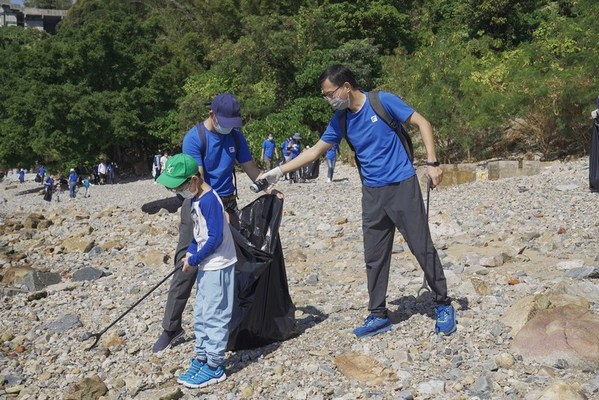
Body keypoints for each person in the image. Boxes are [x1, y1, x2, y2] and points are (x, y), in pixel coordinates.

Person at [261, 64, 456, 338]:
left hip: (402, 185)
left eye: (330, 93)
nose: (329, 99)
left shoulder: (381, 101)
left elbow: (422, 122)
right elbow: (316, 151)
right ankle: (378, 313)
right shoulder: (340, 120)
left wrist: (433, 163)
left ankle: (443, 303)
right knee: (374, 256)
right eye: (325, 95)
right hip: (372, 194)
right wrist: (279, 171)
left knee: (421, 246)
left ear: (346, 87)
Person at [152, 93, 274, 353]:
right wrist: (218, 213)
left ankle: (233, 325)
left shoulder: (235, 136)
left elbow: (251, 168)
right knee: (187, 263)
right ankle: (171, 327)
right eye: (224, 121)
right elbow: (198, 184)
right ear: (211, 115)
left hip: (229, 203)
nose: (228, 127)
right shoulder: (195, 138)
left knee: (234, 264)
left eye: (233, 122)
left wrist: (268, 188)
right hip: (201, 203)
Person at [156, 154, 236, 388]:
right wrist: (190, 253)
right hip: (205, 264)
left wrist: (196, 259)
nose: (177, 192)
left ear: (193, 181)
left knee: (215, 316)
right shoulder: (193, 200)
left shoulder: (210, 200)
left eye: (179, 187)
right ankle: (201, 357)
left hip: (218, 265)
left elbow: (215, 238)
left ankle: (215, 366)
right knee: (201, 313)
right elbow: (197, 236)